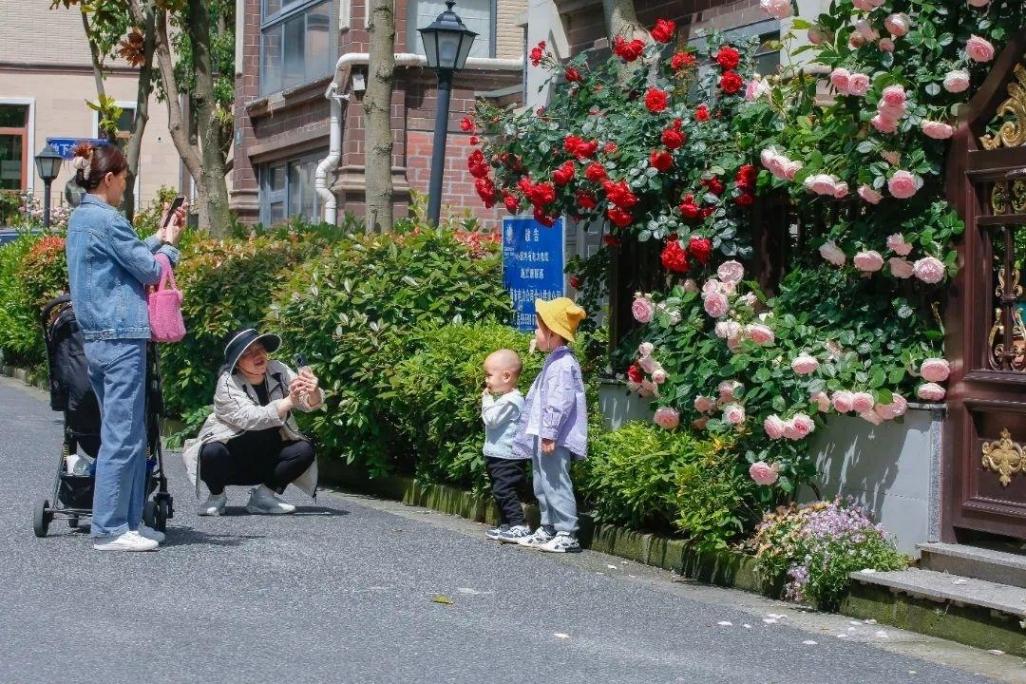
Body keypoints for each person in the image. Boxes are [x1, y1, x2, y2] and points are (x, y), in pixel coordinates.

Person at [65, 142, 187, 552]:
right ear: (110, 178)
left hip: (99, 338)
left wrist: (158, 235)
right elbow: (150, 268)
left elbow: (126, 256)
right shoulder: (109, 219)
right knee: (123, 435)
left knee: (127, 433)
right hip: (122, 338)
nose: (126, 185)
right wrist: (169, 247)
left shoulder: (82, 218)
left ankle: (129, 522)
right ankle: (111, 528)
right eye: (124, 178)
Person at [181, 328, 324, 516]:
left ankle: (263, 497)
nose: (257, 355)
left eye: (260, 349)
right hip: (231, 460)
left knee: (304, 450)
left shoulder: (278, 369)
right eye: (247, 353)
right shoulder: (227, 383)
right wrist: (288, 401)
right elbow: (252, 418)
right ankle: (217, 496)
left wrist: (312, 390)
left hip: (268, 458)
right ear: (237, 364)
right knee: (211, 451)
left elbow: (308, 402)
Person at [513, 298, 588, 553]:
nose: (534, 332)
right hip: (543, 433)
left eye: (537, 327)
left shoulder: (563, 365)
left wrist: (550, 432)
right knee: (542, 481)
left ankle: (567, 532)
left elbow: (560, 402)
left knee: (556, 480)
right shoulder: (555, 361)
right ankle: (548, 526)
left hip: (552, 436)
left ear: (552, 332)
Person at [481, 349, 529, 543]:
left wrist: (486, 400)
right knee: (498, 490)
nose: (486, 380)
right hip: (497, 455)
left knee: (504, 490)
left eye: (489, 375)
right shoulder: (505, 399)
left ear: (507, 376)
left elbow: (491, 420)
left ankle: (519, 525)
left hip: (508, 457)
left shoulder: (512, 400)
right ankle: (506, 524)